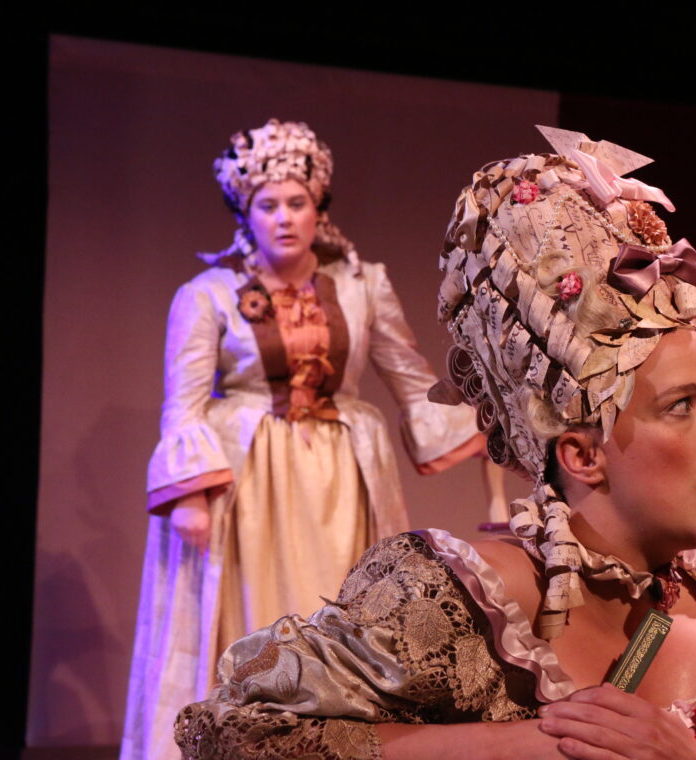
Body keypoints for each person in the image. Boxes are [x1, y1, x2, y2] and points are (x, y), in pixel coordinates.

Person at [174, 127, 696, 760]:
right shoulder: (464, 598)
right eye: (681, 407)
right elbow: (232, 733)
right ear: (582, 454)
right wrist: (519, 744)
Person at [122, 119, 481, 760]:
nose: (284, 217)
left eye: (297, 202)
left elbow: (410, 379)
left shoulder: (363, 286)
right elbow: (183, 405)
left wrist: (482, 420)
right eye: (268, 205)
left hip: (345, 479)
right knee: (255, 615)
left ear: (319, 208)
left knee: (340, 614)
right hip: (249, 485)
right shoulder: (207, 295)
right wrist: (189, 497)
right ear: (246, 212)